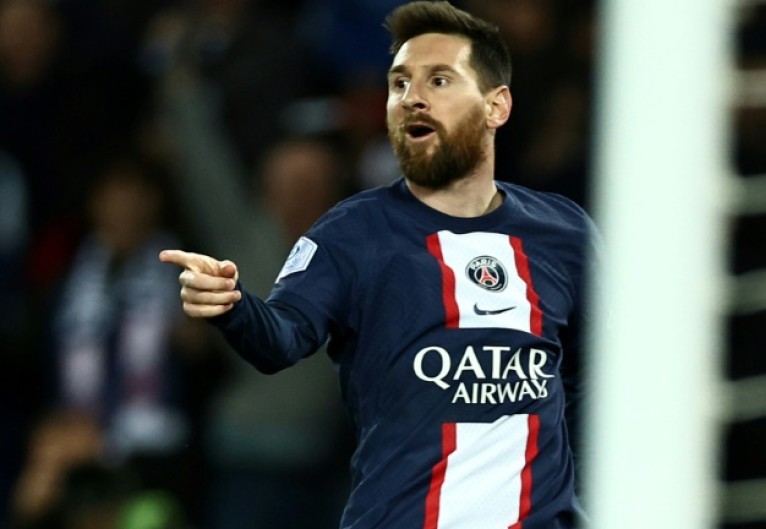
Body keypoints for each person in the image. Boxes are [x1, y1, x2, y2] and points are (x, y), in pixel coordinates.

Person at [160, 2, 598, 527]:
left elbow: (590, 377)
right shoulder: (353, 233)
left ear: (495, 106)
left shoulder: (564, 234)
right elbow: (281, 337)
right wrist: (232, 306)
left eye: (439, 80)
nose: (412, 98)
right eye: (399, 83)